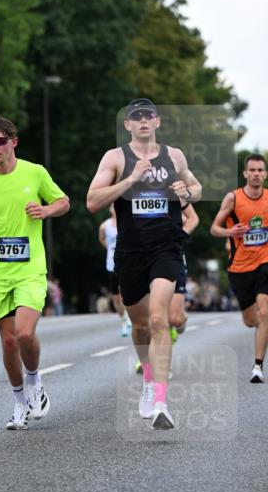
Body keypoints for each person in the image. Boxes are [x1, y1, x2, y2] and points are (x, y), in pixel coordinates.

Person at [86, 98, 202, 430]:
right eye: (136, 118)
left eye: (148, 116)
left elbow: (196, 186)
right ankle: (149, 381)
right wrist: (130, 180)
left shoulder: (174, 155)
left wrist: (188, 192)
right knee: (139, 326)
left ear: (157, 121)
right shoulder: (116, 157)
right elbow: (92, 201)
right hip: (130, 253)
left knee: (158, 319)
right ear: (128, 125)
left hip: (166, 247)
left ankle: (162, 403)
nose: (143, 122)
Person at [0, 116, 70, 431]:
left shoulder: (35, 173)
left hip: (30, 268)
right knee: (8, 343)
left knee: (24, 333)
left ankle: (35, 382)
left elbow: (63, 201)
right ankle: (19, 403)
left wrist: (46, 210)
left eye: (0, 141)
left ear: (13, 142)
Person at [210, 153, 268, 383]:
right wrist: (230, 232)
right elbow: (214, 228)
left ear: (265, 174)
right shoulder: (233, 199)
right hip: (239, 265)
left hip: (267, 258)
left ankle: (258, 367)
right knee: (250, 320)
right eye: (252, 170)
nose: (256, 174)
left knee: (264, 311)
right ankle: (261, 328)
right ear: (245, 174)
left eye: (260, 170)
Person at [98, 204, 132, 337]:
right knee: (116, 298)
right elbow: (101, 239)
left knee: (127, 294)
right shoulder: (104, 226)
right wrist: (110, 249)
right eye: (112, 206)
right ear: (110, 209)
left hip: (127, 264)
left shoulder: (128, 222)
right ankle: (124, 320)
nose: (115, 208)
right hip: (111, 264)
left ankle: (131, 317)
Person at [168, 202, 199, 337]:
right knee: (153, 316)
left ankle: (181, 315)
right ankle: (148, 357)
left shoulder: (173, 194)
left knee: (176, 320)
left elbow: (190, 218)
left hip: (174, 257)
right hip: (146, 258)